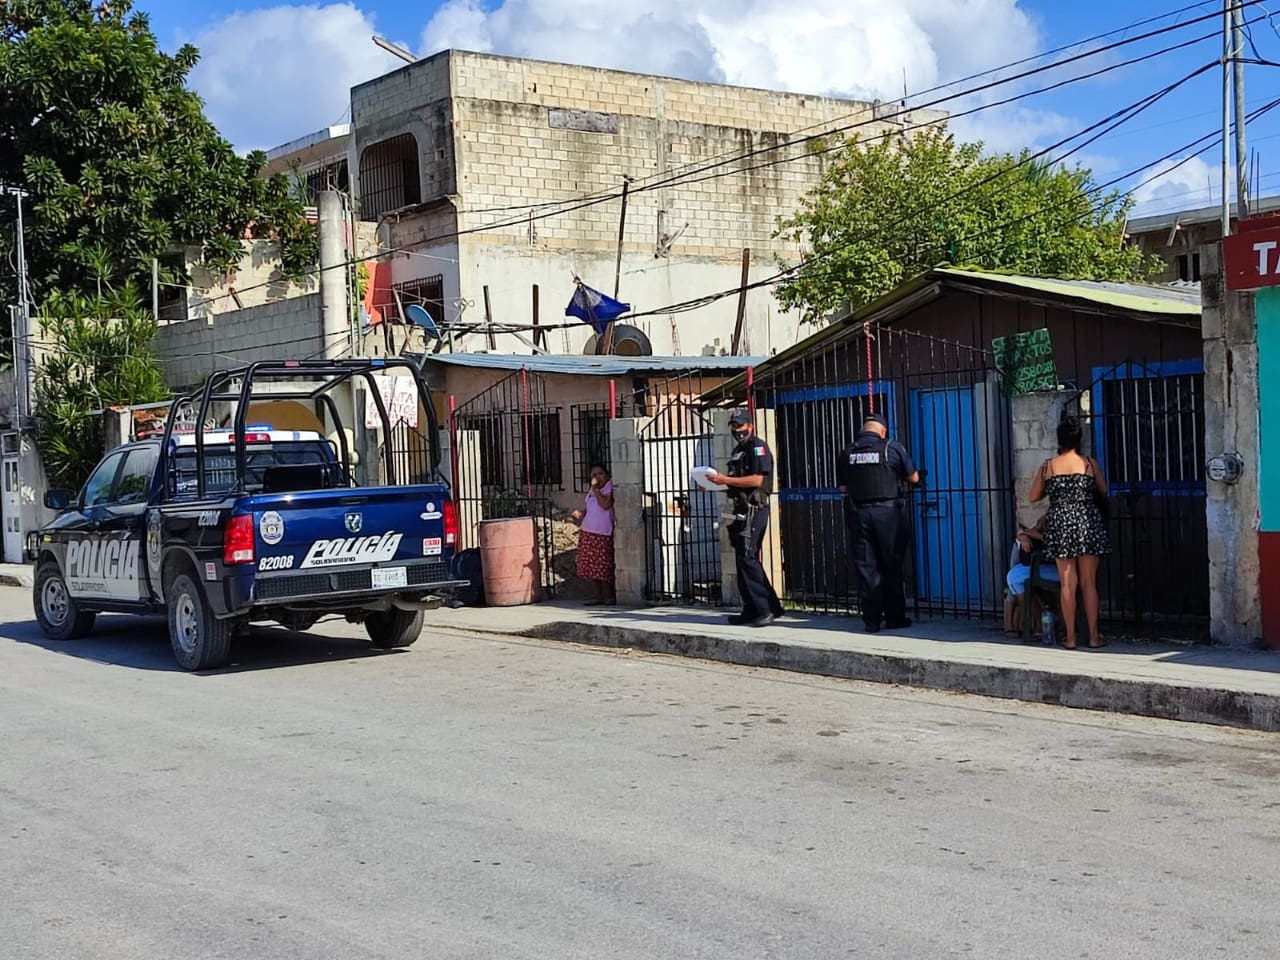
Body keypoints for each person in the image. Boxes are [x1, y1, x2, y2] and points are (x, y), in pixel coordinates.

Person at [1029, 416, 1110, 649]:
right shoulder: (1089, 464)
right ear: (1079, 439)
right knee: (1089, 583)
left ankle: (1071, 638)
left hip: (1061, 525)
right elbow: (1103, 490)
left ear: (1059, 440)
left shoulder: (1048, 466)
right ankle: (1093, 637)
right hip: (1087, 522)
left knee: (1067, 583)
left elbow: (1033, 497)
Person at [837, 413, 920, 634]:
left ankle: (871, 620)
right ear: (882, 431)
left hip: (858, 514)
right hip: (888, 514)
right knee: (891, 565)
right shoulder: (892, 447)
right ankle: (895, 617)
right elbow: (914, 478)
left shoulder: (847, 452)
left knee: (866, 568)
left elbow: (843, 488)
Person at [706, 409, 784, 628]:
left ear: (750, 426)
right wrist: (714, 484)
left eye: (740, 425)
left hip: (754, 510)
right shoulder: (739, 451)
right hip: (741, 509)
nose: (737, 430)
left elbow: (757, 480)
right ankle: (755, 608)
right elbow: (735, 484)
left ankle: (764, 609)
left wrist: (724, 479)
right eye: (733, 426)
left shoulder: (758, 448)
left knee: (748, 559)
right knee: (742, 560)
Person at [1002, 516, 1059, 638]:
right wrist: (1026, 535)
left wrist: (1040, 536)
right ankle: (1040, 618)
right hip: (1037, 567)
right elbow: (1026, 534)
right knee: (1014, 578)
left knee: (1014, 578)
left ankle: (1041, 619)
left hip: (1057, 568)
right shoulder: (1037, 530)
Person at [571, 463, 615, 605]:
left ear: (607, 475)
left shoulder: (608, 488)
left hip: (602, 533)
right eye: (594, 475)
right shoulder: (592, 490)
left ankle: (608, 596)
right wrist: (581, 512)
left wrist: (596, 489)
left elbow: (605, 505)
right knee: (592, 566)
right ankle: (597, 596)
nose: (597, 477)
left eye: (600, 474)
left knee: (604, 565)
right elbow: (591, 508)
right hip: (588, 531)